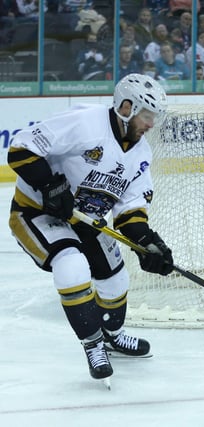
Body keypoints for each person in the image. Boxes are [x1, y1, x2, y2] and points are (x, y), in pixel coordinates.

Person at [7, 74, 174, 385]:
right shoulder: (85, 123)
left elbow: (129, 210)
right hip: (36, 214)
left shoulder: (140, 154)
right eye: (147, 116)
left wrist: (147, 243)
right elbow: (20, 149)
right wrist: (50, 186)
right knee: (72, 265)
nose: (151, 124)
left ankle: (112, 335)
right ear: (127, 107)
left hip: (85, 219)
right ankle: (93, 343)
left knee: (115, 277)